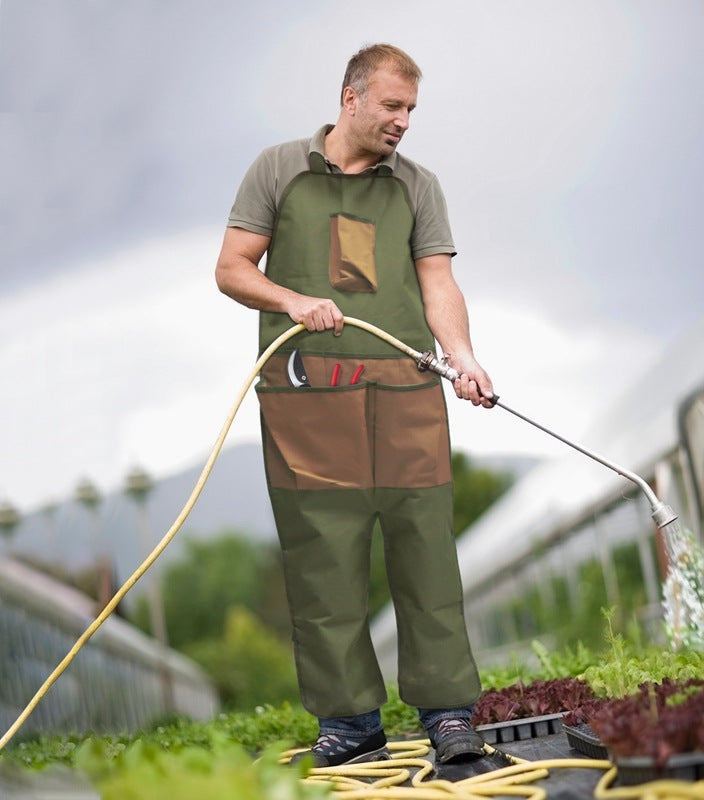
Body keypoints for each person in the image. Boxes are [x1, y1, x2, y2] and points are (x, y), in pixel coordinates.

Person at [215, 43, 494, 767]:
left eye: (412, 111)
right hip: (307, 402)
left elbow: (438, 284)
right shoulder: (279, 170)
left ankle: (449, 714)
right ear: (351, 98)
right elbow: (232, 268)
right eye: (392, 106)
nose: (403, 121)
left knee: (427, 555)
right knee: (324, 563)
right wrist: (293, 300)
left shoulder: (417, 187)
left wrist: (461, 355)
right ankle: (350, 723)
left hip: (406, 396)